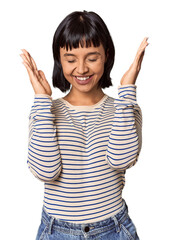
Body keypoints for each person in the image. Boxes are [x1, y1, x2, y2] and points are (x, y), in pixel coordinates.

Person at [20, 10, 148, 240]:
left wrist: (128, 90)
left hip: (114, 230)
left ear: (106, 56)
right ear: (59, 59)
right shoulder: (45, 112)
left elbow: (122, 159)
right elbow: (45, 171)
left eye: (92, 58)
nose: (81, 69)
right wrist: (41, 99)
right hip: (56, 232)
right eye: (70, 59)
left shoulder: (125, 109)